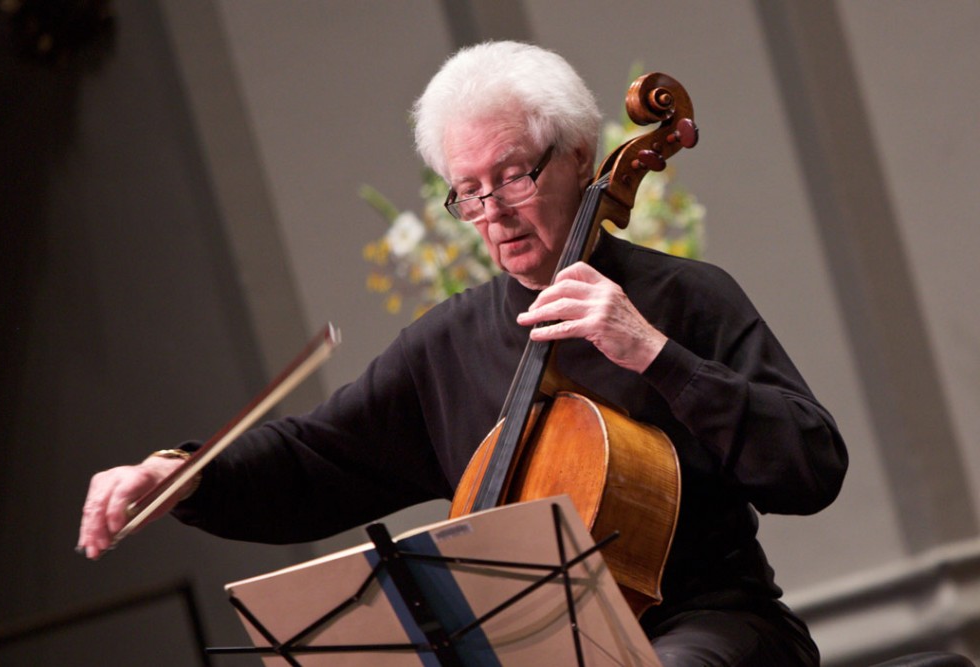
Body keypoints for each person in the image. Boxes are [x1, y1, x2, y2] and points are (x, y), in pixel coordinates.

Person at [78, 41, 847, 666]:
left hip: (712, 630)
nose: (493, 213)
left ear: (581, 156)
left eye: (513, 175)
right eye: (467, 190)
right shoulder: (448, 346)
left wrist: (653, 352)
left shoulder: (687, 301)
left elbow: (812, 465)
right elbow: (312, 460)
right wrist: (181, 473)